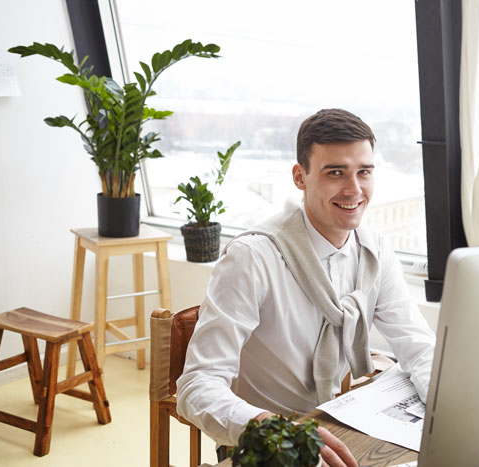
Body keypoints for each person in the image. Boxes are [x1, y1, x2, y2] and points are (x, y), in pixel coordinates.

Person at [176, 108, 436, 466]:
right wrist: (272, 429)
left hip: (342, 426)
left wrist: (447, 408)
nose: (354, 189)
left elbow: (419, 349)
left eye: (364, 172)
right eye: (335, 173)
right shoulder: (251, 258)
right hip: (270, 444)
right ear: (300, 177)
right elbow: (196, 387)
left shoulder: (375, 249)